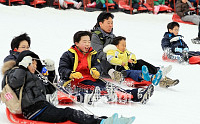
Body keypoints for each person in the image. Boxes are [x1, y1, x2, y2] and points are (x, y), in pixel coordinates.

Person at [1, 50, 135, 124]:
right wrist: (22, 67)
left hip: (43, 107)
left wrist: (51, 71)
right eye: (32, 63)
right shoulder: (14, 73)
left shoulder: (34, 76)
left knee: (71, 114)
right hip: (32, 111)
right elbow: (14, 83)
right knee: (69, 113)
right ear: (25, 62)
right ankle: (101, 123)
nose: (35, 66)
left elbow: (51, 89)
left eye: (36, 63)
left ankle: (104, 120)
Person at [58, 30, 154, 105]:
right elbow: (62, 69)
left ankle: (136, 94)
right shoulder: (68, 55)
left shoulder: (92, 54)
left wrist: (96, 69)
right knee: (102, 90)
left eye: (89, 42)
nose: (88, 44)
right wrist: (71, 74)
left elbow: (98, 64)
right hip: (77, 81)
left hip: (92, 78)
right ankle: (128, 96)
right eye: (84, 42)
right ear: (76, 43)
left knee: (111, 87)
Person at [91, 12, 178, 88]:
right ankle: (151, 77)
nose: (111, 25)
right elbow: (98, 54)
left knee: (139, 62)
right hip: (106, 66)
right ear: (101, 24)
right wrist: (119, 59)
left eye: (112, 23)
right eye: (108, 23)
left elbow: (122, 49)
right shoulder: (95, 36)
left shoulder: (112, 36)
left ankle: (159, 73)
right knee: (131, 70)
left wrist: (128, 57)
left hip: (119, 62)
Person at [3, 33, 58, 105]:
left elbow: (38, 73)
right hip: (19, 92)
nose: (27, 49)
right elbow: (14, 78)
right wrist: (23, 66)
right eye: (23, 47)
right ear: (15, 49)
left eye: (28, 47)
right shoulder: (11, 60)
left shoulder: (30, 59)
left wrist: (48, 69)